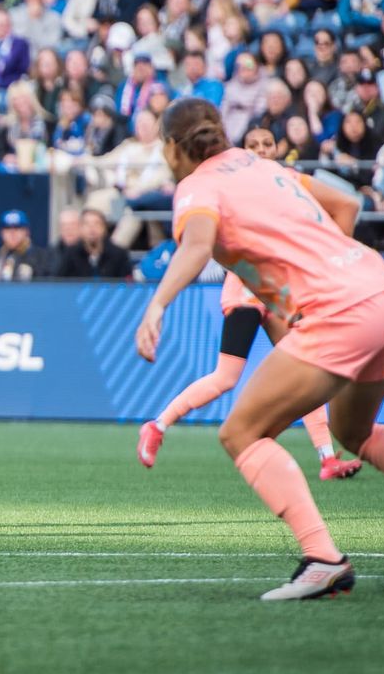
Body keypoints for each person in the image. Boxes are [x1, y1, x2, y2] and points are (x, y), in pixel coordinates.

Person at [135, 97, 384, 600]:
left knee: (242, 433)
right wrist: (331, 270)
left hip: (341, 312)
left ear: (173, 147)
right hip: (383, 292)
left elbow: (198, 245)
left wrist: (157, 305)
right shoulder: (260, 165)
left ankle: (323, 559)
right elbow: (347, 204)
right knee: (353, 431)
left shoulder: (196, 187)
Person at [138, 130, 362, 482]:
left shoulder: (280, 181)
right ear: (242, 151)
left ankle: (327, 458)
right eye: (254, 145)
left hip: (275, 292)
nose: (261, 150)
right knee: (226, 377)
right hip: (246, 290)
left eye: (267, 145)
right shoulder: (236, 185)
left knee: (308, 370)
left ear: (277, 148)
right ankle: (158, 425)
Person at [0, 208, 51, 281]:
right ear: (1, 233)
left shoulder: (40, 257)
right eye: (7, 228)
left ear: (27, 231)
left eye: (17, 228)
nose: (12, 233)